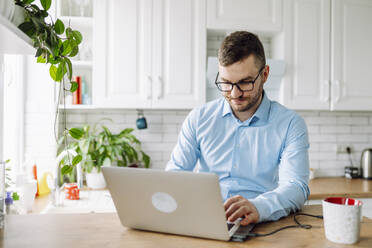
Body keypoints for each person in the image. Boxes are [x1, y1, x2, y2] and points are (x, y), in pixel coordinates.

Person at [165, 31, 310, 226]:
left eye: (245, 82)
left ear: (265, 74)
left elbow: (296, 187)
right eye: (225, 82)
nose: (234, 93)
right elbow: (176, 174)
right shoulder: (199, 118)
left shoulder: (290, 124)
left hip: (259, 224)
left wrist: (259, 207)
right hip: (204, 221)